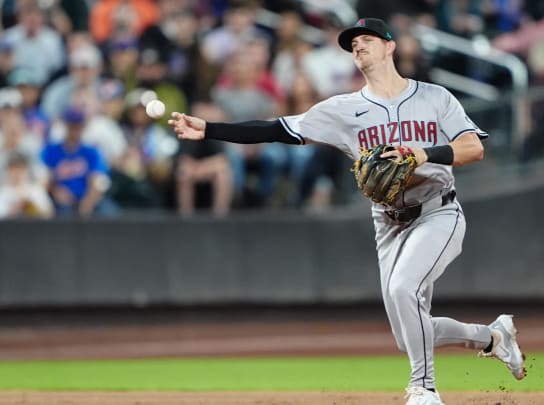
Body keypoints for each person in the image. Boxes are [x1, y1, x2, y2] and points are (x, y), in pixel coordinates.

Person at [168, 18, 525, 405]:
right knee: (409, 335)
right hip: (388, 222)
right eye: (352, 44)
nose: (358, 47)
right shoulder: (343, 109)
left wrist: (423, 153)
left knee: (404, 289)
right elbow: (277, 129)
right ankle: (494, 337)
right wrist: (210, 129)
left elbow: (474, 148)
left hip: (438, 212)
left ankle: (424, 388)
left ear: (391, 46)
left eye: (367, 39)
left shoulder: (435, 97)